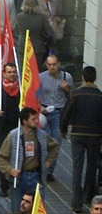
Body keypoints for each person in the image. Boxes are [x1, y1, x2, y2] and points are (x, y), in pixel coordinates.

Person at [0, 107, 59, 212]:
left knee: (38, 210)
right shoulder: (13, 136)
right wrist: (10, 170)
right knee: (17, 209)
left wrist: (48, 161)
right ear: (25, 121)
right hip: (19, 178)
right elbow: (0, 158)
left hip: (36, 176)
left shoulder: (41, 135)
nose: (37, 121)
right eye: (33, 119)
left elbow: (55, 146)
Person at [60, 66, 102, 212]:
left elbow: (65, 113)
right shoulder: (100, 96)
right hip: (95, 137)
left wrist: (63, 129)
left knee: (77, 168)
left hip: (77, 134)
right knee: (91, 168)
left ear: (83, 77)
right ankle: (88, 197)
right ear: (95, 78)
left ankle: (76, 202)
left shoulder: (75, 95)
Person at [39, 53, 73, 181]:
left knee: (56, 143)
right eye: (49, 65)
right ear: (46, 65)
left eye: (54, 64)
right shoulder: (41, 77)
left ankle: (49, 171)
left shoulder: (66, 77)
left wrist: (66, 89)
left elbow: (72, 96)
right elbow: (35, 95)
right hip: (44, 112)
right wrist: (39, 108)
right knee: (43, 142)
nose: (52, 67)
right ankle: (41, 168)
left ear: (58, 64)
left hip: (59, 113)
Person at [0, 62, 21, 198]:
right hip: (3, 129)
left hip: (17, 127)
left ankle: (15, 181)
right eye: (9, 72)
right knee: (3, 157)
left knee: (16, 156)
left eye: (14, 72)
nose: (12, 74)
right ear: (4, 74)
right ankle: (4, 185)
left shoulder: (21, 89)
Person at [14, 0, 54, 68]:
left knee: (23, 71)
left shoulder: (19, 17)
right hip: (38, 48)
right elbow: (50, 33)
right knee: (36, 71)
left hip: (23, 47)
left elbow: (15, 31)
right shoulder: (41, 18)